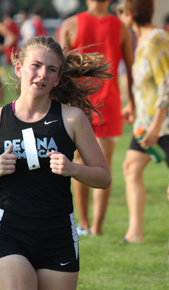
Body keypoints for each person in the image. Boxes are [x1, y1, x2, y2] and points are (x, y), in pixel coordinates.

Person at [0, 36, 112, 290]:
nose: (42, 75)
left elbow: (103, 177)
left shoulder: (72, 119)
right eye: (36, 66)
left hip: (58, 235)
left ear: (58, 78)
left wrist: (73, 169)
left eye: (51, 70)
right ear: (19, 68)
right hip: (12, 233)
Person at [59, 0, 135, 236]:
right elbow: (131, 68)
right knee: (104, 166)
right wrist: (132, 100)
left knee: (80, 164)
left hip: (78, 104)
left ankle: (83, 224)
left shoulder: (71, 23)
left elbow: (59, 69)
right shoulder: (121, 26)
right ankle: (97, 228)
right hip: (110, 104)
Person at [119, 0, 169, 243]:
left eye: (121, 11)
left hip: (163, 124)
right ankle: (135, 233)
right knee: (131, 167)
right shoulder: (142, 40)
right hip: (145, 122)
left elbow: (166, 83)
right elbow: (146, 84)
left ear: (130, 14)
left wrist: (157, 126)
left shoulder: (157, 38)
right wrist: (133, 105)